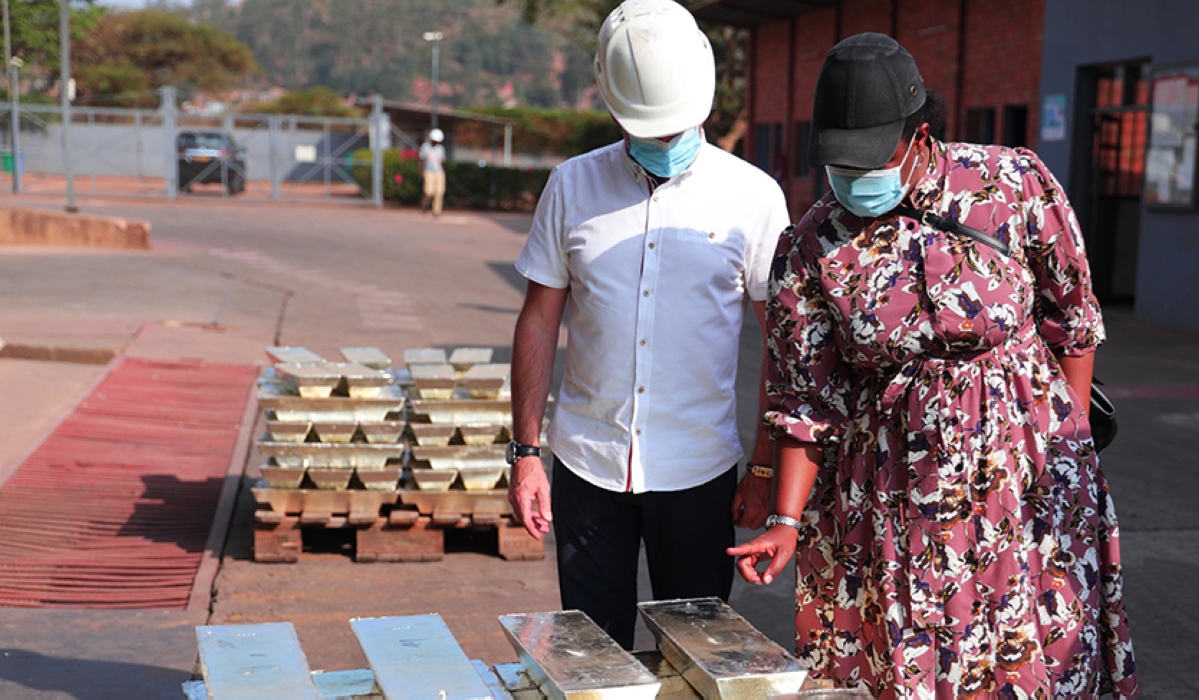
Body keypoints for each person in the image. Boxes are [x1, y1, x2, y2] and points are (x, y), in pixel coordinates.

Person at [729, 33, 1140, 699]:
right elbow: (803, 402)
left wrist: (1069, 449)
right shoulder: (809, 245)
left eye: (872, 160)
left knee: (1035, 654)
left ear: (919, 134)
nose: (854, 179)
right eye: (839, 164)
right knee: (911, 659)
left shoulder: (1012, 184)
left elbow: (1073, 319)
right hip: (893, 500)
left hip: (1024, 485)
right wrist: (785, 520)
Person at [506, 0, 790, 650]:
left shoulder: (752, 197)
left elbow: (782, 345)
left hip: (699, 472)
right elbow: (538, 322)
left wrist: (763, 466)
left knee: (694, 658)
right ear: (612, 106)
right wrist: (525, 455)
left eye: (673, 127)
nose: (663, 141)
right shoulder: (571, 187)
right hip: (587, 466)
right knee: (593, 659)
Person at [419, 128, 446, 217]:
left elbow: (442, 161)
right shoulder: (425, 147)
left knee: (439, 192)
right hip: (429, 171)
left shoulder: (441, 149)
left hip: (439, 172)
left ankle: (437, 211)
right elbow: (421, 160)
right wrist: (422, 171)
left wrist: (444, 171)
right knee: (428, 191)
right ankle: (424, 205)